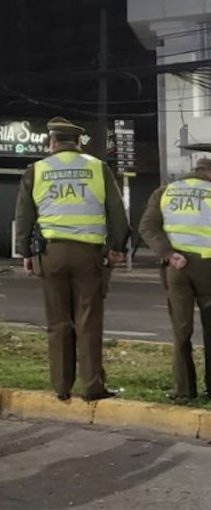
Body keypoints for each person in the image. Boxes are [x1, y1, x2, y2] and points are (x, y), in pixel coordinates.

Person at [14, 117, 129, 402]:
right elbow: (118, 214)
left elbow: (24, 216)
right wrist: (117, 247)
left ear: (52, 142)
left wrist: (26, 253)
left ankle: (62, 387)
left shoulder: (36, 170)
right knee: (88, 320)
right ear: (78, 143)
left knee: (58, 322)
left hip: (50, 254)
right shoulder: (98, 168)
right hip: (88, 255)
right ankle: (92, 386)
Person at [138, 158, 211, 401]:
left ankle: (184, 390)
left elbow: (147, 227)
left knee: (181, 332)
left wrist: (168, 254)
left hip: (177, 269)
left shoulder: (165, 192)